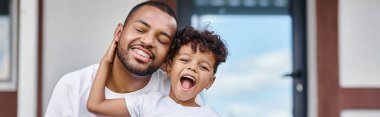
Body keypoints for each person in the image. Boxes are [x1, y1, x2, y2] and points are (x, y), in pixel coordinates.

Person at [45, 1, 178, 117]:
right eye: (140, 29)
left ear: (168, 54)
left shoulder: (176, 94)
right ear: (119, 33)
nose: (148, 41)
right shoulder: (72, 86)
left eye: (162, 40)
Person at [87, 26, 228, 117]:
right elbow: (95, 105)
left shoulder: (208, 114)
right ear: (169, 67)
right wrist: (106, 62)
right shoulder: (149, 103)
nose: (192, 68)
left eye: (203, 67)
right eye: (185, 60)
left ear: (210, 81)